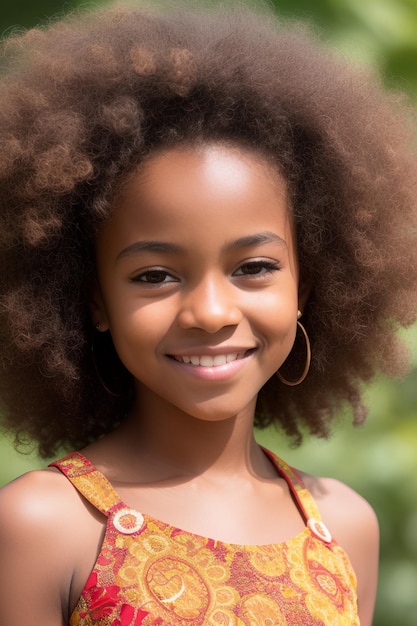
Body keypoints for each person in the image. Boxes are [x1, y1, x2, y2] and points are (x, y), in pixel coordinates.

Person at [1, 1, 417, 624]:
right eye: (156, 276)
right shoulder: (44, 524)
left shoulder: (344, 525)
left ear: (308, 284)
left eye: (253, 267)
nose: (211, 311)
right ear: (94, 300)